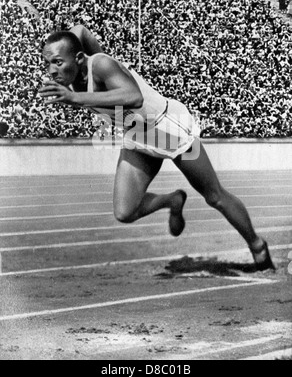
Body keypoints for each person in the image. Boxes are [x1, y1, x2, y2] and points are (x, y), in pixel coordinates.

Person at [39, 25, 275, 272]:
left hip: (167, 128)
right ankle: (172, 200)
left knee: (214, 196)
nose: (52, 71)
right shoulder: (72, 76)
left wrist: (78, 96)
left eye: (57, 62)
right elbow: (80, 31)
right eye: (48, 64)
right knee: (124, 211)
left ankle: (257, 246)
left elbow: (134, 97)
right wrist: (64, 50)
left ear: (77, 57)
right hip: (137, 137)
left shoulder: (100, 66)